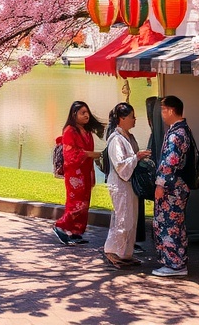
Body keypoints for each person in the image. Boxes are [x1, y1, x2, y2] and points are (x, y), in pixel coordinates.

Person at [103, 102, 150, 269]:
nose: (134, 120)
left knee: (130, 219)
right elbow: (121, 165)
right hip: (120, 185)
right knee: (122, 219)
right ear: (122, 119)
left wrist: (140, 158)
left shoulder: (128, 137)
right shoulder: (116, 139)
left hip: (129, 185)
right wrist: (136, 157)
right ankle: (114, 252)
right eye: (131, 117)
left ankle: (125, 253)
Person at [53, 100, 104, 245]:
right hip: (74, 174)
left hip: (86, 172)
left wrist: (92, 171)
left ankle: (75, 232)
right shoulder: (70, 130)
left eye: (87, 112)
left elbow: (87, 154)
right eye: (83, 113)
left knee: (85, 204)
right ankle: (60, 226)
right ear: (74, 114)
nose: (86, 115)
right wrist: (89, 154)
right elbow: (70, 154)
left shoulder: (87, 132)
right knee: (76, 204)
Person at [153, 95, 192, 276]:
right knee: (176, 223)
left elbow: (169, 163)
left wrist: (160, 185)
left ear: (170, 110)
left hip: (172, 188)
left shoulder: (176, 134)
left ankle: (174, 264)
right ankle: (178, 261)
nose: (162, 114)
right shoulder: (182, 130)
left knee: (169, 223)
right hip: (179, 187)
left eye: (163, 110)